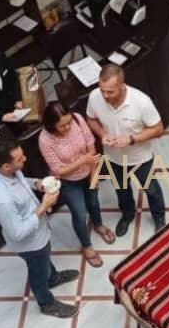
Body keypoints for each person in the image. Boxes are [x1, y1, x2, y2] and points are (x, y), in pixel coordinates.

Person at [0, 137, 79, 318]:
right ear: (6, 166)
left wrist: (36, 183)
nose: (25, 159)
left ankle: (53, 278)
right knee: (38, 272)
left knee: (45, 258)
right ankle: (46, 303)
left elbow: (20, 180)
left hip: (40, 233)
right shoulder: (2, 201)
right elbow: (18, 232)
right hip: (30, 243)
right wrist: (44, 206)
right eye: (20, 159)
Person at [85, 64, 166, 236]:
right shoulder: (94, 97)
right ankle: (128, 215)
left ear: (122, 86)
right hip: (113, 158)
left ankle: (159, 218)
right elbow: (91, 119)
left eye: (110, 92)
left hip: (140, 158)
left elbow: (158, 129)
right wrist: (102, 134)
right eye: (102, 90)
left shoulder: (141, 102)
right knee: (121, 191)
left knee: (152, 190)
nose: (105, 96)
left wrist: (131, 139)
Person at [38, 101, 116, 267]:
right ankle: (86, 245)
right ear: (51, 125)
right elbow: (58, 170)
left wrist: (94, 175)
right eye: (62, 125)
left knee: (93, 202)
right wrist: (82, 161)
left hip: (89, 172)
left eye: (69, 122)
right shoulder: (45, 139)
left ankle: (98, 225)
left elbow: (91, 147)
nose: (68, 127)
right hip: (68, 182)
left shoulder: (78, 120)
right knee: (79, 213)